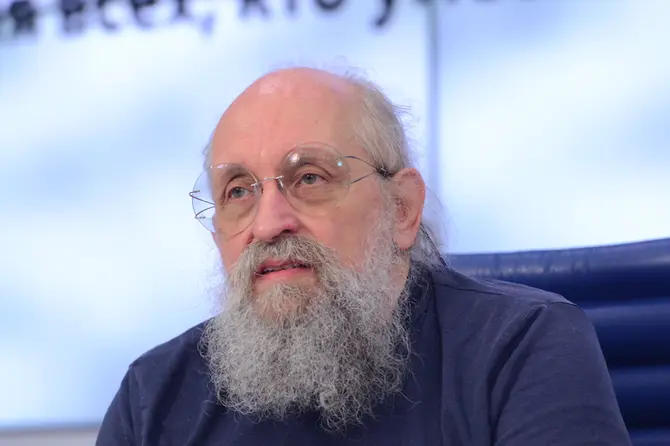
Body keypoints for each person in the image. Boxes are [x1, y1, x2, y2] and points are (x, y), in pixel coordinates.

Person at [96, 67, 631, 445]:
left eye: (310, 178)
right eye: (238, 191)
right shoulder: (153, 398)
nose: (267, 223)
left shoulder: (521, 346)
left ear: (401, 209)